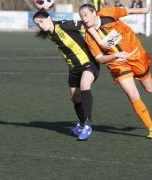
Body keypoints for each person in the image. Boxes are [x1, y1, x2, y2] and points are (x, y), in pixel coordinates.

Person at [78, 4, 152, 139]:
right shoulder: (90, 37)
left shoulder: (107, 12)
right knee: (132, 94)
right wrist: (115, 56)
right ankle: (151, 128)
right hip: (117, 63)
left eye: (86, 15)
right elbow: (100, 58)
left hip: (136, 54)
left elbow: (127, 11)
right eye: (81, 16)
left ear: (94, 12)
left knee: (149, 88)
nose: (84, 18)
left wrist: (144, 10)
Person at [32, 10, 107, 141]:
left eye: (41, 21)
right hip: (73, 68)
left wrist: (100, 42)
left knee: (85, 85)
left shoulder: (64, 25)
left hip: (88, 62)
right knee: (75, 98)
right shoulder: (49, 33)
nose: (40, 25)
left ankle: (88, 125)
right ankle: (82, 123)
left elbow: (87, 25)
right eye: (37, 24)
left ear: (49, 18)